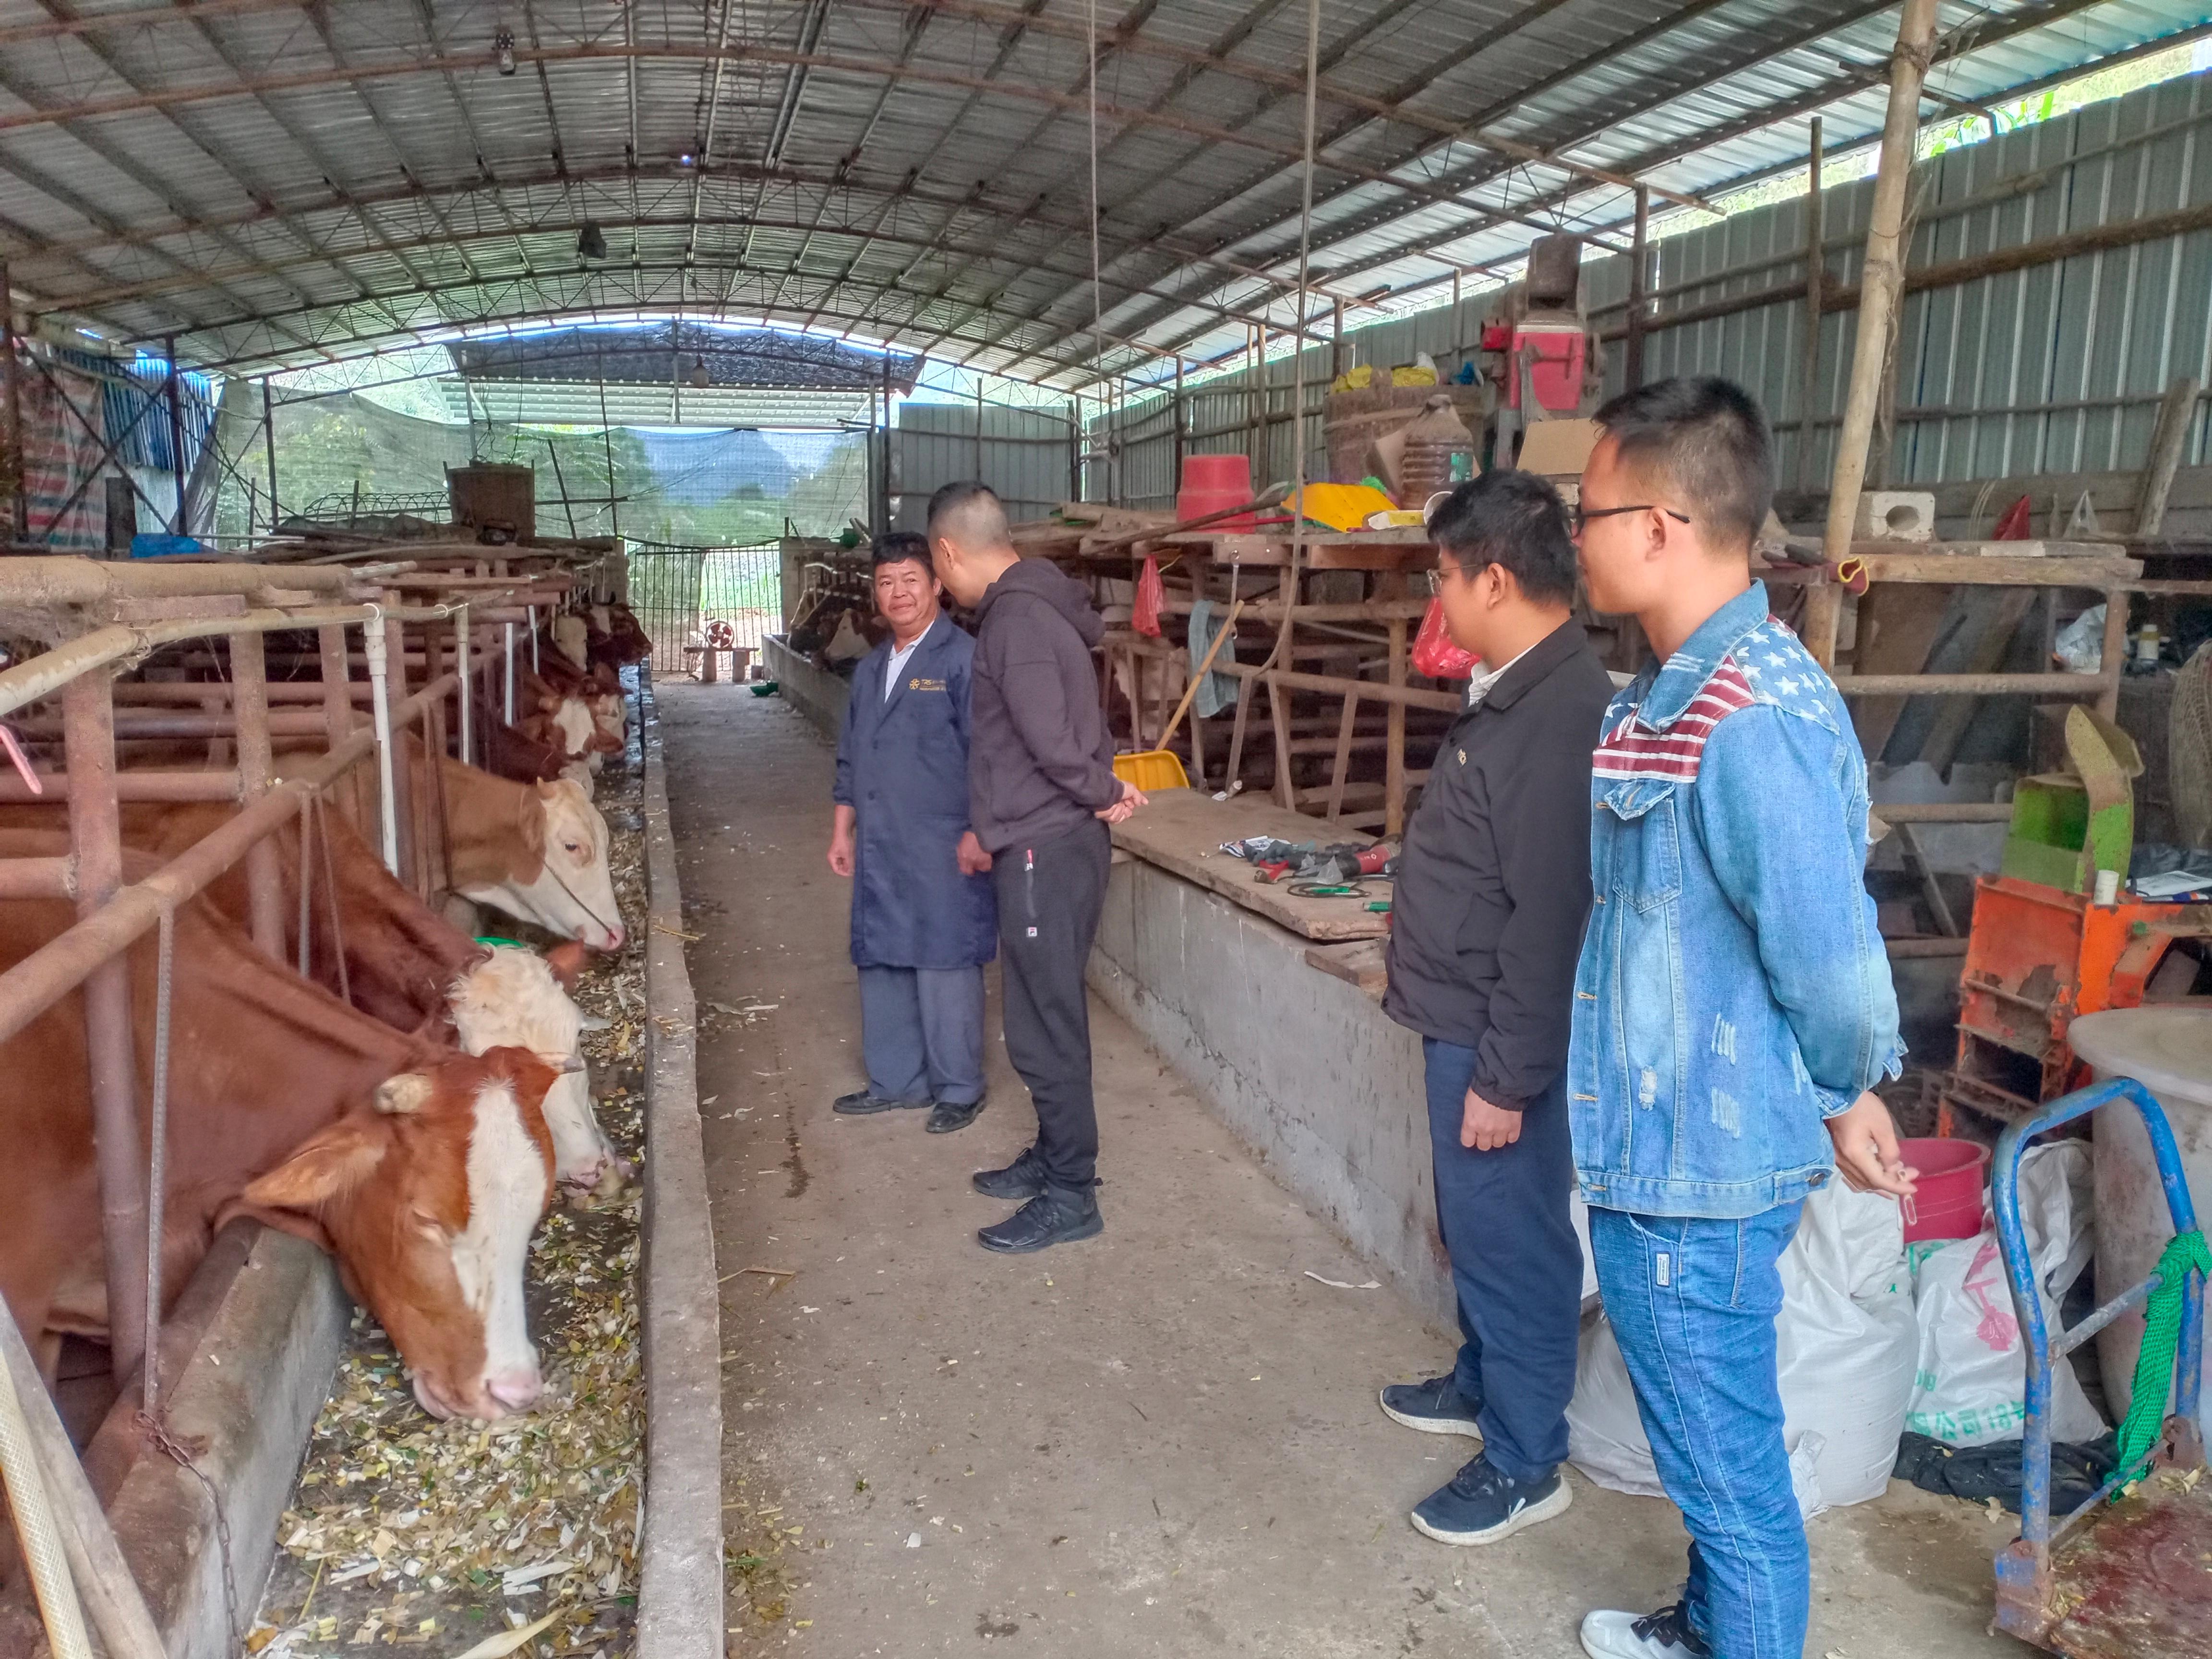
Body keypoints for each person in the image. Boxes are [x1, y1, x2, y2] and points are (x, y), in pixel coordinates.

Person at [1566, 377, 1916, 1659]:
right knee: (1711, 1444)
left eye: (1588, 513)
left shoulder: (1748, 714)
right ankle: (1708, 1626)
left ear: (1658, 526)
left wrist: (1845, 1083)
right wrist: (1837, 1094)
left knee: (1731, 1478)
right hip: (1669, 1143)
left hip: (1699, 1169)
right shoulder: (1676, 692)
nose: (1576, 538)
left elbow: (1831, 968)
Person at [1378, 471, 1615, 1547]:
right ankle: (1484, 1379)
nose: (1438, 597)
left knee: (1512, 1235)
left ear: (1495, 581)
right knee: (1477, 1223)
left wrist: (1505, 1079)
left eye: (1443, 575)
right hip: (1462, 1014)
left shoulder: (1557, 716)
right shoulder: (1515, 691)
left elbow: (1553, 918)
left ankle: (1526, 1459)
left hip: (1494, 1035)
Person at [926, 481, 1145, 1253]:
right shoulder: (1042, 608)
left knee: (1042, 1027)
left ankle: (1071, 1193)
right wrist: (1100, 785)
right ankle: (1056, 1157)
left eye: (935, 568)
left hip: (1040, 847)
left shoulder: (1016, 623)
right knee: (1044, 1012)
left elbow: (1053, 742)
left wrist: (1102, 790)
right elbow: (1081, 731)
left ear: (948, 551)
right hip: (1049, 839)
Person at [827, 533, 997, 1135]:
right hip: (881, 841)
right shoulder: (872, 669)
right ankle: (896, 1082)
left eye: (910, 580)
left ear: (937, 586)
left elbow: (990, 756)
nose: (898, 593)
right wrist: (842, 830)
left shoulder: (963, 659)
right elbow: (851, 756)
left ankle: (959, 1088)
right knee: (883, 956)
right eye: (886, 582)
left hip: (944, 844)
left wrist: (983, 831)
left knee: (945, 960)